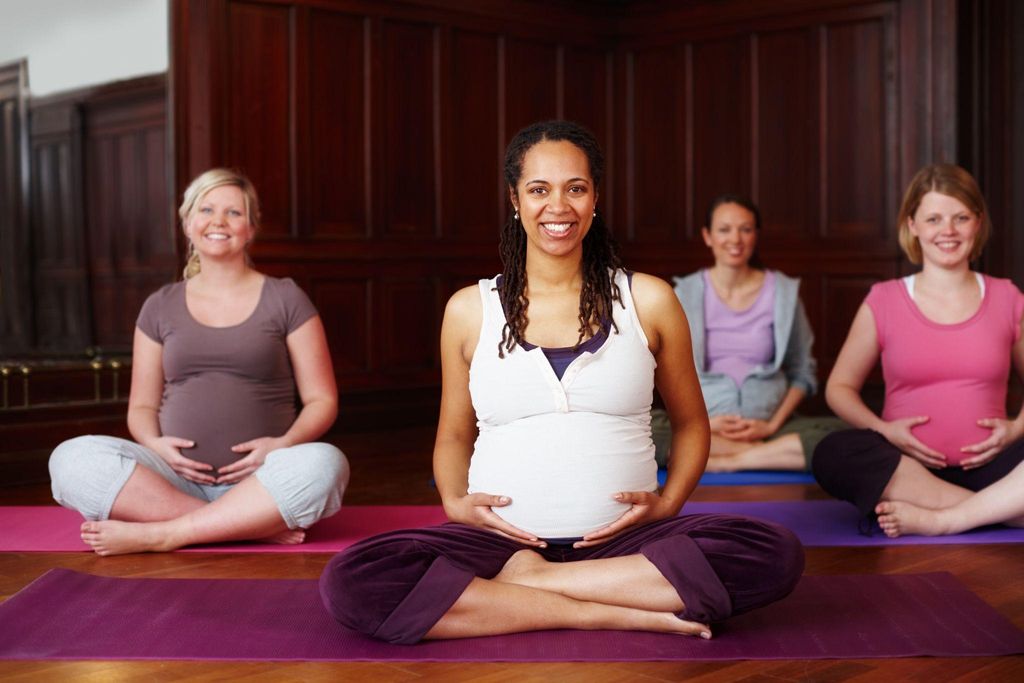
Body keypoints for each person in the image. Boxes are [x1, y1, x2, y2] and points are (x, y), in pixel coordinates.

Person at [319, 121, 803, 644]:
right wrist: (457, 504)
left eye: (575, 188)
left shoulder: (650, 300)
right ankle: (606, 609)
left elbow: (690, 424)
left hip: (627, 542)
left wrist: (668, 504)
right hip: (499, 545)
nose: (559, 206)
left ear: (595, 198)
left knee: (771, 552)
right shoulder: (468, 309)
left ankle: (535, 588)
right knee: (353, 580)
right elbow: (454, 436)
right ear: (515, 200)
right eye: (539, 189)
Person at [48, 168, 350, 555]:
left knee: (326, 464)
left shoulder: (287, 298)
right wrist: (155, 445)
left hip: (263, 480)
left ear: (252, 228)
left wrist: (282, 444)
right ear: (188, 224)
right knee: (71, 459)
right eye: (206, 209)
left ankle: (167, 533)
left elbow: (322, 400)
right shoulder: (159, 305)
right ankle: (241, 525)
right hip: (170, 481)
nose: (218, 221)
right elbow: (141, 406)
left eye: (234, 213)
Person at [813, 163, 1024, 537]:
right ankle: (999, 508)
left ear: (978, 222)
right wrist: (884, 430)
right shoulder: (884, 299)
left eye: (961, 217)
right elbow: (839, 388)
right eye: (934, 218)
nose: (948, 230)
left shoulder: (1009, 298)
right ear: (912, 225)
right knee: (833, 451)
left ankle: (946, 517)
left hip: (995, 465)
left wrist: (1015, 429)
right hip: (908, 469)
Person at [652, 195, 844, 472]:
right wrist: (699, 423)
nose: (736, 239)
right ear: (707, 236)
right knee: (643, 429)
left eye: (746, 229)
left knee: (842, 435)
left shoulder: (783, 293)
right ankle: (764, 456)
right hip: (702, 424)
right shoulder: (683, 294)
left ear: (756, 235)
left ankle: (724, 461)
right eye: (724, 229)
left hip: (771, 426)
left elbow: (803, 372)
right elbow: (666, 370)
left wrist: (771, 424)